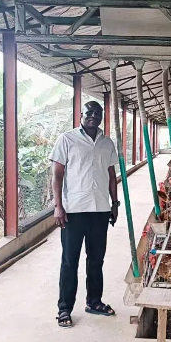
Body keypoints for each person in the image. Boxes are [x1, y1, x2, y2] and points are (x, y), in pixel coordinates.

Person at [49, 101, 120, 328]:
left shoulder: (107, 143)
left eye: (97, 113)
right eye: (89, 112)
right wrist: (58, 206)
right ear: (81, 115)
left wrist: (114, 203)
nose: (93, 116)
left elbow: (111, 175)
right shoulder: (67, 139)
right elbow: (57, 175)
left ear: (101, 117)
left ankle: (94, 301)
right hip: (74, 211)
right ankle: (64, 309)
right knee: (70, 262)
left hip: (100, 210)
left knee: (96, 260)